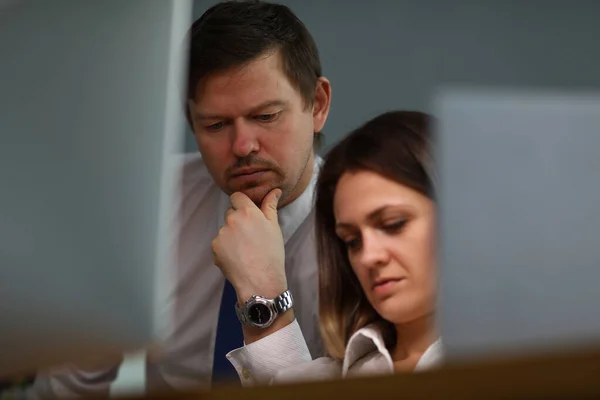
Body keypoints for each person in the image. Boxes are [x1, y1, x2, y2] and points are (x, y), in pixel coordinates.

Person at [23, 1, 332, 397]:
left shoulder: (366, 230)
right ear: (190, 121)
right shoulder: (146, 206)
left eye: (266, 116)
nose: (242, 145)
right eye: (216, 124)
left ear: (318, 104)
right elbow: (64, 389)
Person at [226, 111, 443, 384]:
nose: (368, 256)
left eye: (393, 224)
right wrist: (261, 284)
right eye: (352, 240)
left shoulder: (507, 362)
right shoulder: (325, 380)